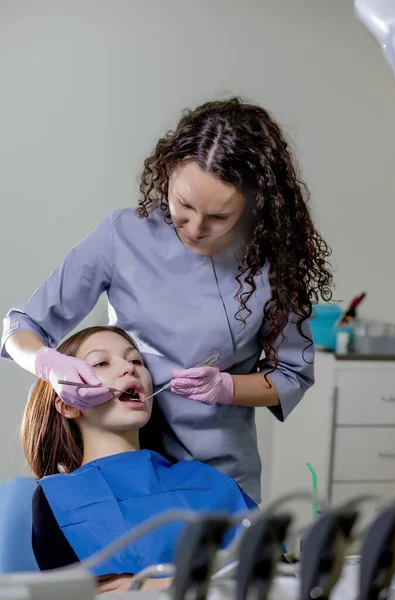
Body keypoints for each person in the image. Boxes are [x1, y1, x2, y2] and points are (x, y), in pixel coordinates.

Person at [2, 97, 333, 503]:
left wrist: (227, 388)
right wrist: (48, 365)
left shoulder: (272, 263)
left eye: (219, 217)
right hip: (130, 466)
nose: (194, 227)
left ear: (253, 202)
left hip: (220, 478)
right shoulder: (121, 237)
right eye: (184, 204)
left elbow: (291, 375)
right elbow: (21, 328)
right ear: (168, 172)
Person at [24, 325, 256, 595]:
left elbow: (273, 573)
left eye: (136, 361)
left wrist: (158, 584)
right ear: (69, 404)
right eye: (101, 362)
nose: (128, 367)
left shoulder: (210, 482)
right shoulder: (57, 495)